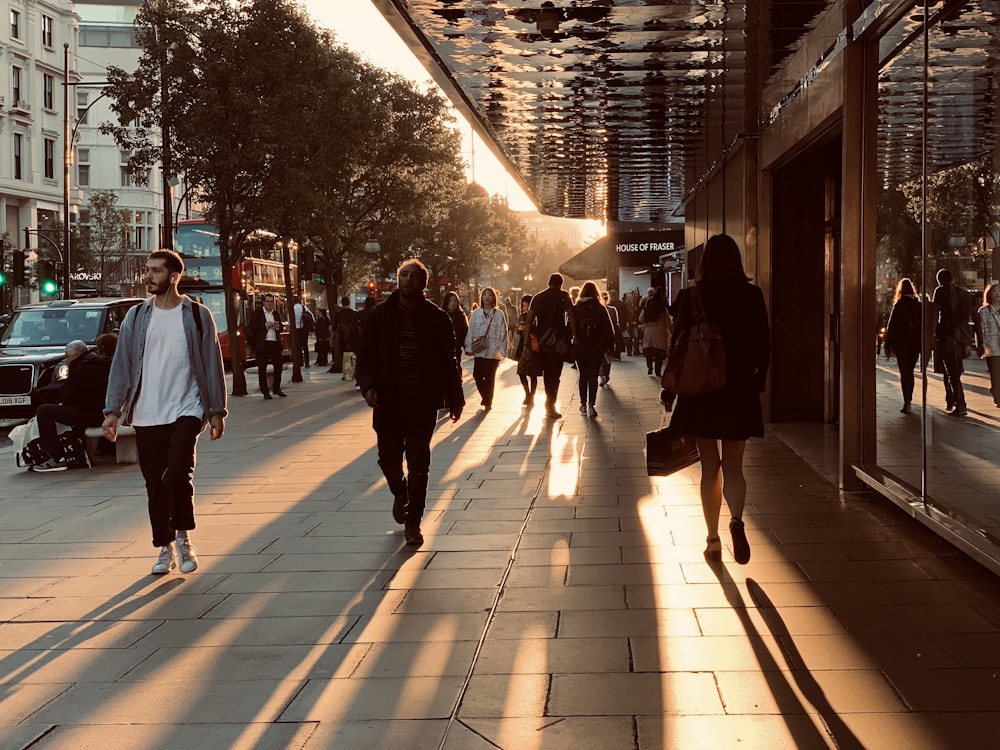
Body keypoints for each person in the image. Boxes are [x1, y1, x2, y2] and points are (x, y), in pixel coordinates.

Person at [102, 249, 228, 575]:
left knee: (177, 473)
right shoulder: (136, 317)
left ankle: (185, 538)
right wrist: (112, 411)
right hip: (146, 412)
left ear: (173, 276)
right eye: (147, 270)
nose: (148, 276)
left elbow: (212, 365)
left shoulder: (198, 316)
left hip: (186, 408)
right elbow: (122, 366)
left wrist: (217, 410)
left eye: (155, 271)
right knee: (154, 484)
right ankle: (165, 547)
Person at [667, 234, 770, 565]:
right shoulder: (751, 295)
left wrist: (670, 389)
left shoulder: (691, 296)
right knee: (735, 468)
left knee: (709, 468)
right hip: (738, 390)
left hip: (701, 391)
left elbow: (678, 346)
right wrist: (759, 380)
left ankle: (712, 540)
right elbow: (763, 343)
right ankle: (736, 521)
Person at [356, 259, 464, 546]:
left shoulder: (437, 318)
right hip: (388, 403)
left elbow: (448, 363)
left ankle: (413, 522)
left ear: (423, 283)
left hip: (421, 402)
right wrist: (368, 387)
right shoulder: (380, 315)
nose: (406, 280)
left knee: (419, 464)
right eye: (403, 274)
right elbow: (365, 357)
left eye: (413, 276)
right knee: (387, 459)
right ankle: (399, 492)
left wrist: (455, 399)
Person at [31, 339, 114, 472]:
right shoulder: (101, 362)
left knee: (44, 411)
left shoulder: (80, 369)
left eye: (67, 356)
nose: (65, 360)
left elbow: (68, 397)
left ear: (76, 355)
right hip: (104, 410)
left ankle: (57, 457)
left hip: (90, 414)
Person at [524, 273, 574, 419]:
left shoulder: (538, 297)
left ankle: (549, 403)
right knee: (556, 374)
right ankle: (551, 404)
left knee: (547, 373)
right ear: (561, 284)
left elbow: (529, 320)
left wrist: (527, 341)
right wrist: (575, 336)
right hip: (558, 341)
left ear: (548, 283)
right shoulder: (564, 295)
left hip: (542, 341)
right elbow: (571, 316)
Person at [932, 268, 974, 417]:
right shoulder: (964, 293)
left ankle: (960, 403)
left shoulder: (940, 291)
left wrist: (933, 332)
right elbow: (970, 315)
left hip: (947, 336)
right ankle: (952, 399)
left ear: (940, 281)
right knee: (954, 370)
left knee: (951, 372)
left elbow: (935, 312)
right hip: (962, 337)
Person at [571, 282, 615, 417]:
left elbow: (570, 327)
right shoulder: (600, 308)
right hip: (596, 347)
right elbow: (609, 329)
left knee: (582, 375)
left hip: (580, 347)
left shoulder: (576, 308)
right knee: (593, 376)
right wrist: (610, 347)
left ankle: (582, 404)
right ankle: (591, 406)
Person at [464, 287, 508, 411]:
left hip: (494, 351)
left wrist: (504, 350)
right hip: (479, 350)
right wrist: (468, 347)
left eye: (490, 295)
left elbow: (503, 332)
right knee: (477, 375)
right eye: (485, 295)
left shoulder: (498, 314)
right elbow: (471, 330)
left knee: (490, 377)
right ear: (481, 298)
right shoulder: (476, 313)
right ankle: (485, 396)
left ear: (494, 298)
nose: (487, 297)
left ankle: (488, 401)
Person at [884, 278, 923, 414]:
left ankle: (907, 400)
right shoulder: (919, 305)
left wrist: (887, 345)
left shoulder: (899, 305)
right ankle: (909, 399)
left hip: (902, 344)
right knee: (910, 371)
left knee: (904, 372)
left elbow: (891, 326)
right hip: (915, 344)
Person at [248, 293, 286, 399]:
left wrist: (278, 326)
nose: (269, 304)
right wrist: (266, 326)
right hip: (263, 343)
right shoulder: (257, 313)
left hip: (274, 342)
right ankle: (265, 392)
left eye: (271, 302)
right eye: (267, 301)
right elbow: (252, 326)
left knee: (278, 366)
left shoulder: (276, 314)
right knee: (262, 368)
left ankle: (276, 388)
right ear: (264, 302)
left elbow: (281, 328)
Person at [514, 294, 541, 407]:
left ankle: (532, 396)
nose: (524, 308)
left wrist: (529, 329)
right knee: (521, 372)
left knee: (533, 373)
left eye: (526, 305)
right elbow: (518, 330)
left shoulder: (537, 317)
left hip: (534, 346)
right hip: (523, 347)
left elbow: (538, 330)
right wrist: (520, 330)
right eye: (523, 305)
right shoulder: (522, 316)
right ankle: (527, 394)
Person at [976, 282, 1000, 407]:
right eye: (995, 292)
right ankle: (998, 397)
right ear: (989, 294)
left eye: (999, 292)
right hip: (992, 348)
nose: (997, 294)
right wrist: (982, 346)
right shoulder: (984, 311)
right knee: (995, 374)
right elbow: (981, 330)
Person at [640, 286, 671, 376]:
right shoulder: (663, 309)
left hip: (648, 331)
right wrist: (673, 332)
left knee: (649, 351)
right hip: (660, 331)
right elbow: (668, 323)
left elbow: (640, 319)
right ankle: (658, 371)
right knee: (659, 353)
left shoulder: (646, 308)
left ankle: (649, 366)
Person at [599, 289, 621, 386]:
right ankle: (605, 375)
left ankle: (603, 376)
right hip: (608, 336)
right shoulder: (612, 310)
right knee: (607, 357)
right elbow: (616, 323)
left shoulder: (599, 310)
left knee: (602, 358)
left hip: (602, 337)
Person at [443, 291, 469, 364]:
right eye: (450, 301)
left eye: (455, 301)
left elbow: (465, 331)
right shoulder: (441, 315)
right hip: (444, 347)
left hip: (457, 346)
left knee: (456, 365)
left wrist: (466, 345)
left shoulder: (461, 316)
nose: (453, 303)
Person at [292, 299, 314, 368]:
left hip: (295, 329)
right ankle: (307, 363)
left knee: (298, 347)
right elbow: (311, 315)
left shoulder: (292, 308)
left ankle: (300, 362)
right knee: (305, 347)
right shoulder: (303, 307)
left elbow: (290, 319)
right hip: (303, 329)